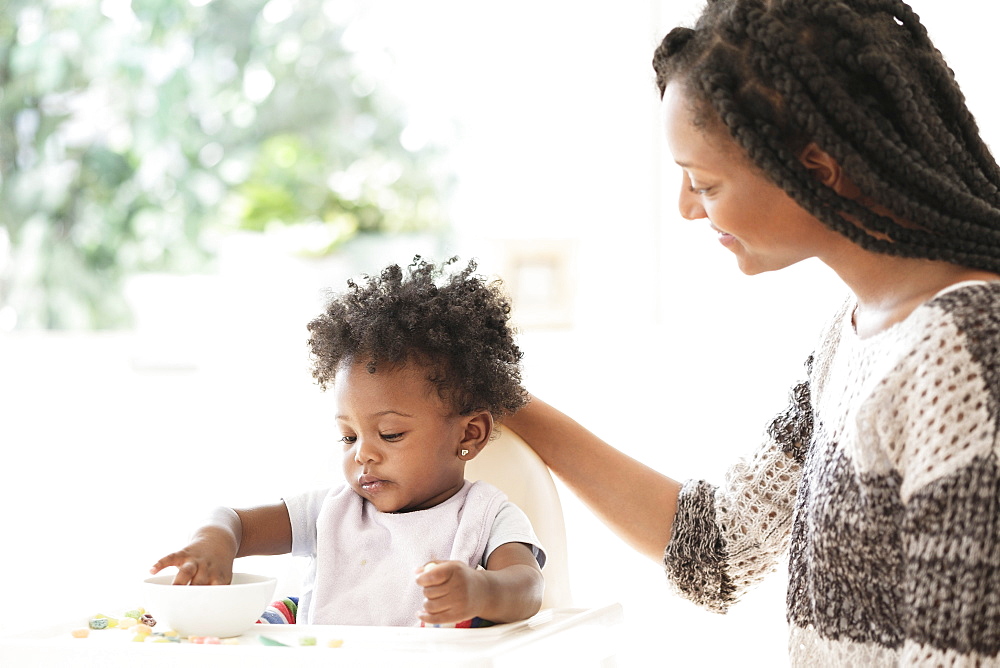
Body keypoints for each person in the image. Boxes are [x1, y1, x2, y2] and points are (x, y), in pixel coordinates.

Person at [505, 1, 1000, 665]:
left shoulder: (967, 346)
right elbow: (717, 548)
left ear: (816, 170)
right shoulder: (851, 335)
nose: (686, 208)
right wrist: (504, 402)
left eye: (703, 182)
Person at [151, 257, 545, 628]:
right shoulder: (330, 510)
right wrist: (213, 543)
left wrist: (480, 592)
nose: (364, 454)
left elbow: (527, 587)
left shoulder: (487, 515)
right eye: (349, 436)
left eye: (390, 434)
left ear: (468, 434)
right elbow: (233, 520)